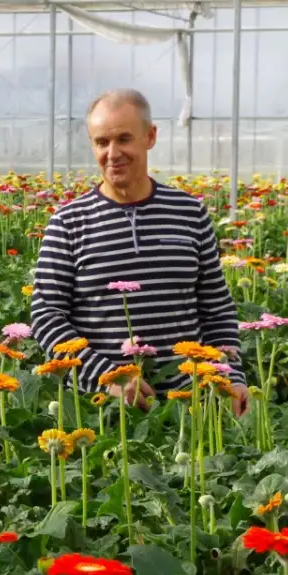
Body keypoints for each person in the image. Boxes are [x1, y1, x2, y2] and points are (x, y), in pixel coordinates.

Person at [30, 89, 249, 417]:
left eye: (124, 139)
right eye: (101, 142)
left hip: (191, 407)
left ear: (150, 137)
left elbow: (216, 310)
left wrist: (229, 376)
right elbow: (47, 316)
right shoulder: (68, 222)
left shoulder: (189, 212)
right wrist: (107, 378)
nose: (112, 153)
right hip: (103, 412)